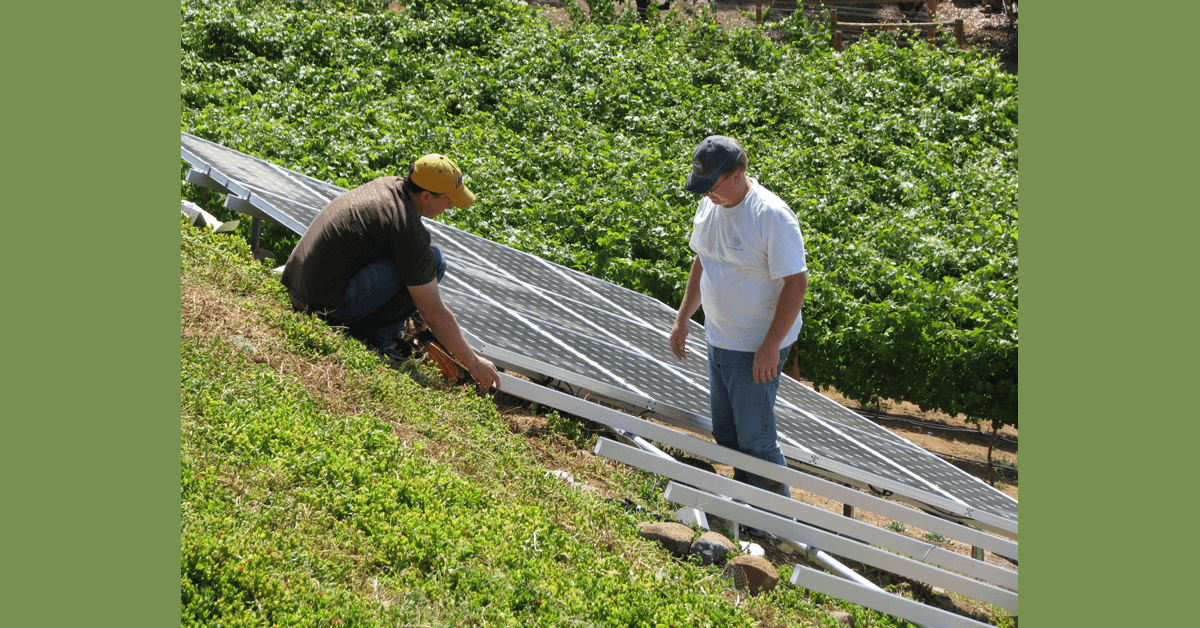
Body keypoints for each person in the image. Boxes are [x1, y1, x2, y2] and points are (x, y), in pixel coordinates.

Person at [280, 154, 500, 393]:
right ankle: (379, 341)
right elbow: (434, 311)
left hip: (298, 284)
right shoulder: (407, 229)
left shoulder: (389, 187)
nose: (451, 206)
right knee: (433, 263)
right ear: (426, 196)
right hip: (320, 306)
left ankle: (378, 332)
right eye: (449, 200)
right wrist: (473, 362)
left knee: (426, 263)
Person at [669, 136, 808, 498]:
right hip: (718, 340)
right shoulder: (709, 206)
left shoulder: (771, 217)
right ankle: (746, 509)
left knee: (757, 441)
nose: (706, 195)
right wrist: (684, 316)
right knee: (728, 435)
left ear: (737, 175)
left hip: (753, 348)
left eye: (711, 186)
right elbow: (703, 258)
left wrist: (771, 346)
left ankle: (779, 521)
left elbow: (796, 283)